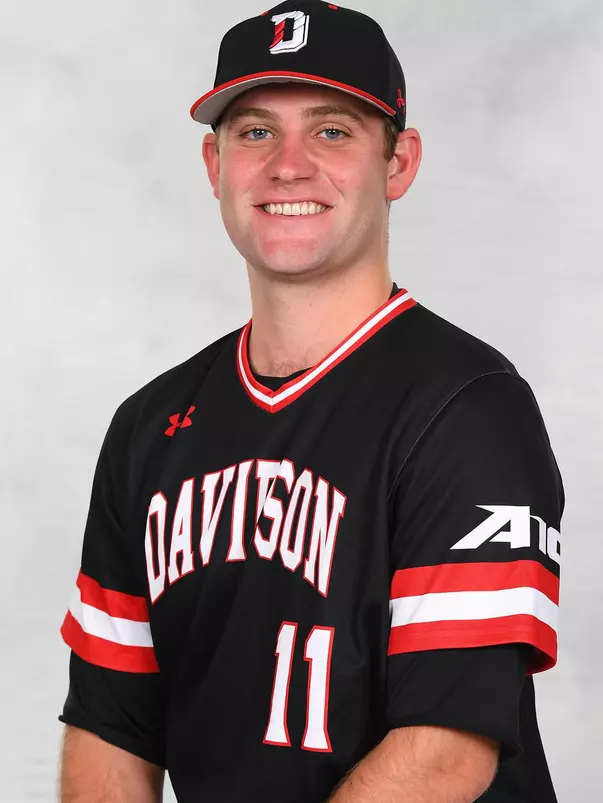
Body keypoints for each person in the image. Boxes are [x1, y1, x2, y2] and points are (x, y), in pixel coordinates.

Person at [58, 2, 563, 801]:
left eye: (332, 131)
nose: (287, 165)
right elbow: (108, 725)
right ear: (213, 164)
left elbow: (443, 753)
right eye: (255, 132)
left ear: (398, 164)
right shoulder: (148, 426)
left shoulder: (468, 406)